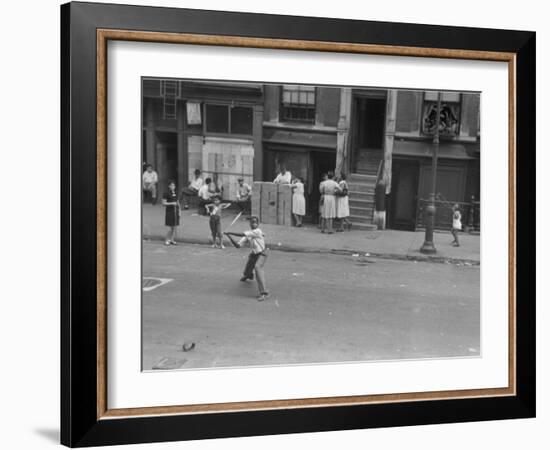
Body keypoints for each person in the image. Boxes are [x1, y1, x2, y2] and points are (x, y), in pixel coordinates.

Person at [224, 216, 269, 302]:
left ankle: (264, 293)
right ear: (249, 224)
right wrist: (229, 236)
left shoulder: (257, 231)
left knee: (257, 268)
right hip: (254, 254)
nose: (254, 224)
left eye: (255, 222)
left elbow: (243, 234)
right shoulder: (248, 235)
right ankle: (248, 275)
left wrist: (229, 232)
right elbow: (238, 246)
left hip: (262, 253)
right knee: (248, 267)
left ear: (258, 224)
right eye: (252, 222)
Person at [161, 180, 180, 245]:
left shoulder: (175, 192)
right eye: (171, 185)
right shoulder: (166, 193)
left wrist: (179, 211)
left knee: (174, 226)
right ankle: (167, 239)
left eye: (174, 185)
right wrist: (172, 203)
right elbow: (163, 203)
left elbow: (177, 202)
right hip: (170, 211)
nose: (173, 186)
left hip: (176, 211)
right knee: (171, 227)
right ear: (169, 186)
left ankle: (172, 239)